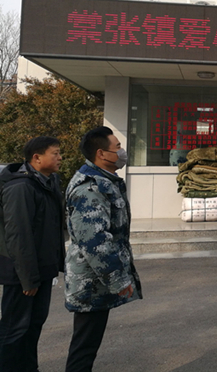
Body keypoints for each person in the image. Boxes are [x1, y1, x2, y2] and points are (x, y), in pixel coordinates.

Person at [64, 126, 142, 372]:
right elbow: (95, 241)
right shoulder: (90, 188)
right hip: (90, 283)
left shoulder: (104, 181)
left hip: (96, 281)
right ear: (101, 153)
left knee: (87, 344)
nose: (122, 152)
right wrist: (119, 279)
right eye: (117, 147)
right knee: (84, 347)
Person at [0, 137, 64, 372]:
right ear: (37, 158)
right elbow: (18, 235)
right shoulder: (21, 187)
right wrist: (27, 277)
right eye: (55, 153)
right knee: (14, 329)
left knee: (33, 326)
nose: (60, 158)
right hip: (22, 273)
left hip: (42, 269)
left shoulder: (49, 181)